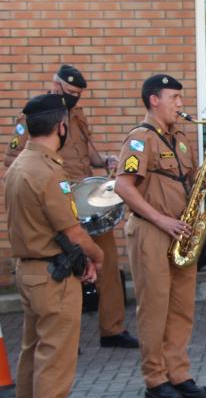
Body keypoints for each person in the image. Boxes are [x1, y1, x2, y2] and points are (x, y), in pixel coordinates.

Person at [5, 65, 139, 348]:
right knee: (72, 265)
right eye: (70, 93)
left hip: (88, 203)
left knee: (107, 261)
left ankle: (112, 329)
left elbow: (86, 150)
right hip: (59, 203)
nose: (74, 99)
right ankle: (67, 335)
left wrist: (104, 161)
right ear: (55, 86)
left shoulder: (76, 115)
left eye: (78, 94)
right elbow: (12, 160)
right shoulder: (34, 118)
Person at [6, 93, 104, 398]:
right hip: (51, 276)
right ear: (61, 127)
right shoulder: (48, 172)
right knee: (55, 360)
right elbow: (72, 230)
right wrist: (98, 256)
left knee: (32, 355)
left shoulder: (20, 165)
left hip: (30, 271)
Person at [114, 74, 206, 398]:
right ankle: (155, 378)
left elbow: (183, 178)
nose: (180, 104)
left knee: (181, 306)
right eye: (174, 98)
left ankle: (178, 372)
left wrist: (204, 177)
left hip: (181, 232)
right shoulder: (140, 140)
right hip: (151, 232)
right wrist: (160, 219)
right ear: (154, 100)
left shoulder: (181, 139)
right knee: (155, 308)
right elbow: (123, 186)